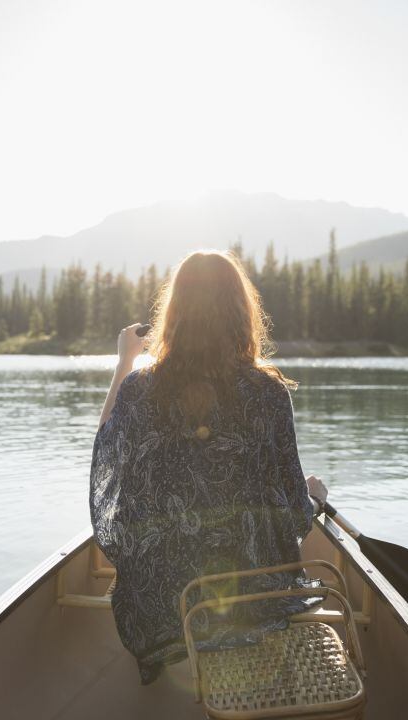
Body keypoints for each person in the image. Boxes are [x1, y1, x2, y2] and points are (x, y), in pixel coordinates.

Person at [89, 250, 329, 684]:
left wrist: (125, 363)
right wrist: (313, 496)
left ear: (174, 314)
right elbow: (294, 510)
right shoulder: (268, 392)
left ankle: (166, 653)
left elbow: (106, 456)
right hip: (252, 593)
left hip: (163, 597)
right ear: (241, 313)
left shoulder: (140, 388)